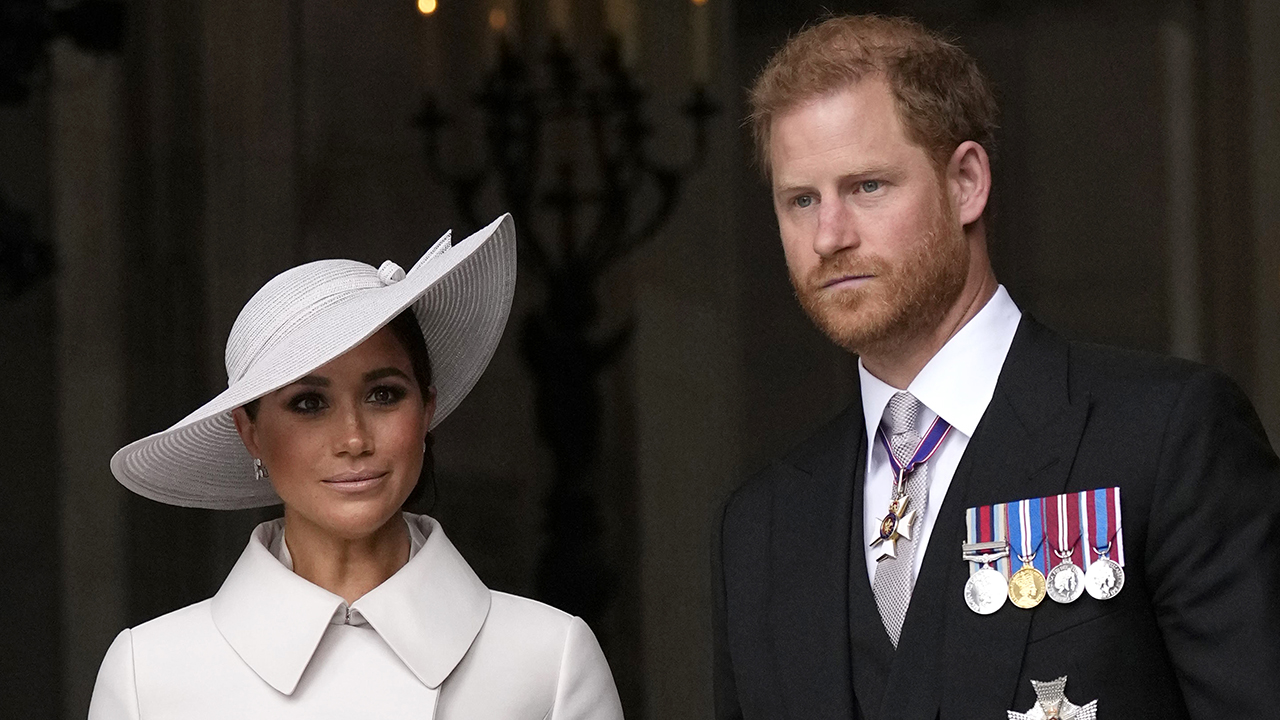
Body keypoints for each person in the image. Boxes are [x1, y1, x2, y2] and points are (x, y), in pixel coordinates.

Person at [712, 14, 1280, 720]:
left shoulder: (1165, 439)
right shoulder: (761, 530)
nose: (829, 236)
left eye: (867, 187)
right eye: (801, 200)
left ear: (966, 183)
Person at [88, 215, 625, 719]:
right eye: (308, 403)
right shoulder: (149, 676)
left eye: (384, 395)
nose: (353, 439)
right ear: (250, 432)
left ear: (427, 409)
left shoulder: (549, 660)